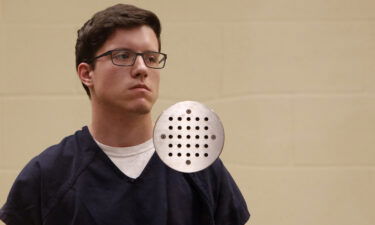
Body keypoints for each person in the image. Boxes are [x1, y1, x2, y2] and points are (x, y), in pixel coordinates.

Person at [0, 4, 250, 225]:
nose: (142, 68)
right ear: (87, 74)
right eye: (123, 56)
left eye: (151, 58)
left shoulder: (198, 166)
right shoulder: (47, 175)